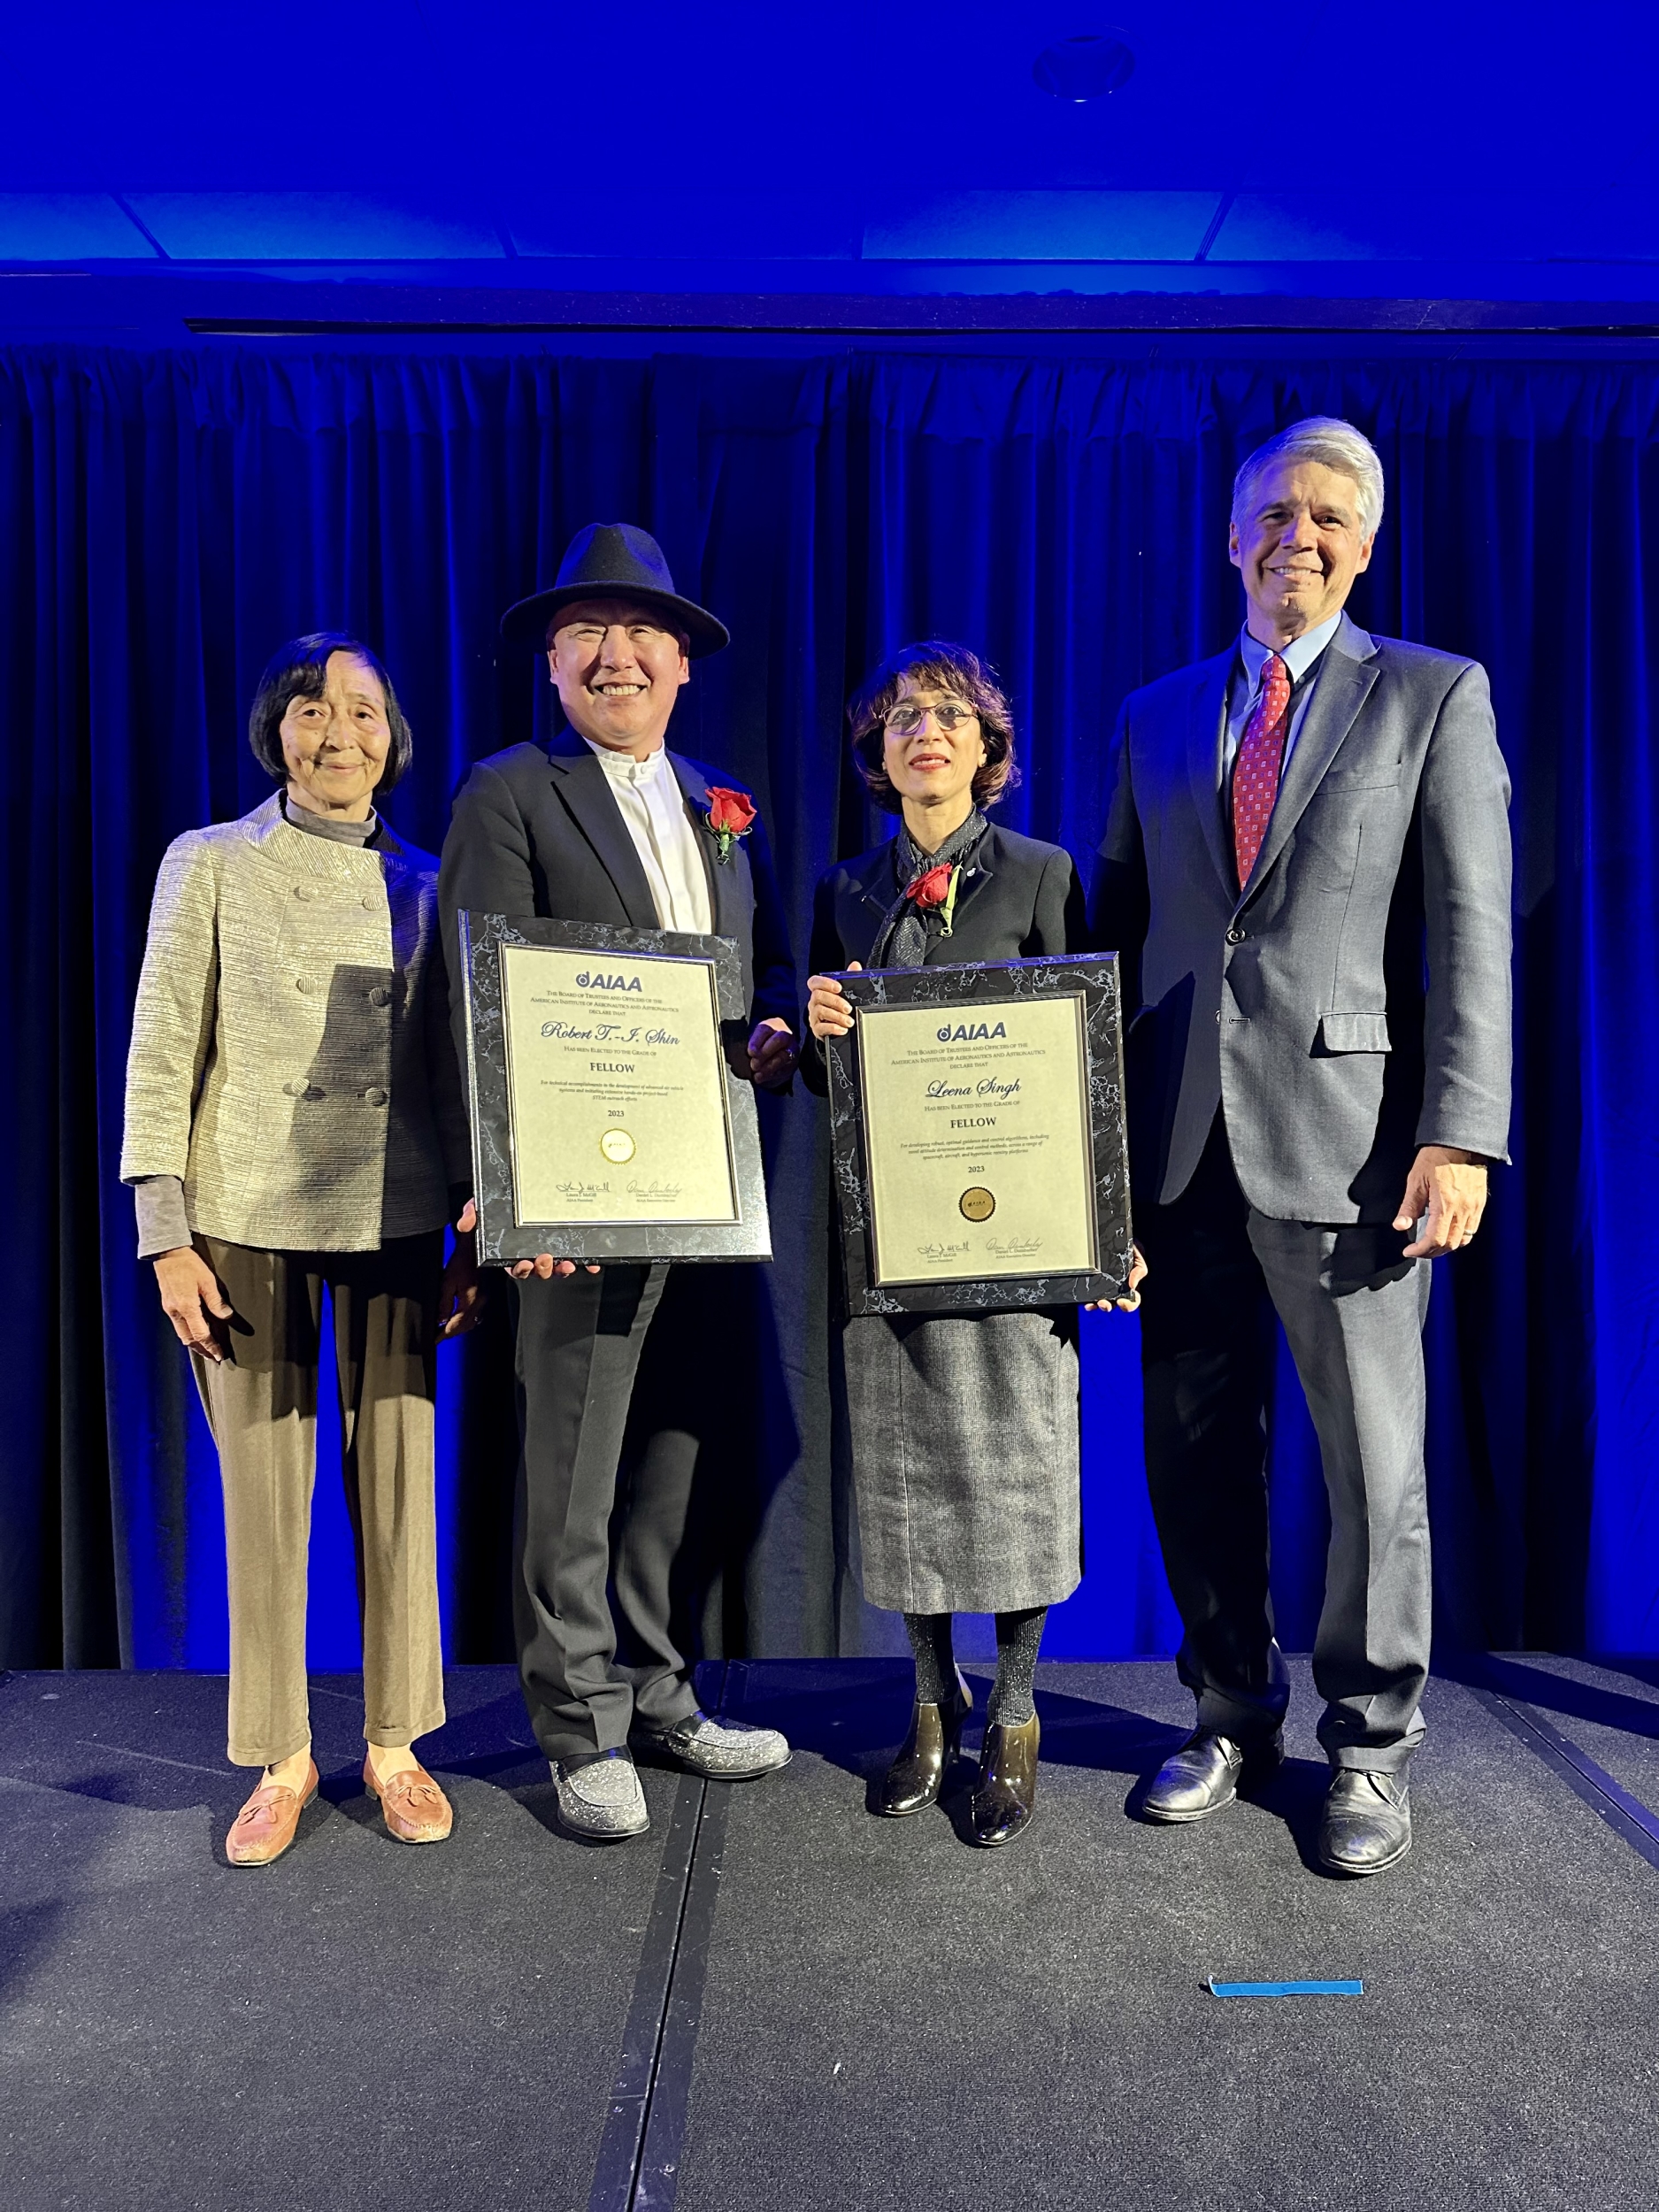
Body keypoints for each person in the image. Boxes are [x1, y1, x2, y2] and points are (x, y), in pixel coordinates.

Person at [1093, 417, 1512, 1877]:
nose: (1300, 537)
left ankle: (1372, 1745)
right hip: (1179, 1148)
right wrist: (1095, 1163)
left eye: (1330, 517)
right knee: (1193, 1451)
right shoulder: (1152, 715)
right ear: (1231, 535)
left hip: (1358, 1151)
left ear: (1365, 544)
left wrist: (1461, 1135)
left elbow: (1469, 930)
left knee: (1372, 1464)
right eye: (1275, 512)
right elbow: (1116, 941)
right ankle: (1225, 1709)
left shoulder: (1432, 699)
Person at [440, 523, 799, 1842]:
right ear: (553, 661)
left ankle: (658, 1689)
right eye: (589, 632)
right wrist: (509, 1188)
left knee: (676, 1450)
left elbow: (745, 973)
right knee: (574, 1462)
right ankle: (576, 1724)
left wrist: (769, 1030)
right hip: (576, 1195)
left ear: (683, 666)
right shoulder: (510, 791)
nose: (618, 653)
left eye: (644, 633)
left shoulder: (719, 804)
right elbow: (483, 996)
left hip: (707, 1185)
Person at [121, 634, 481, 1867]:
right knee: (263, 1498)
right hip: (242, 1214)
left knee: (399, 1486)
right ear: (277, 727)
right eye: (315, 711)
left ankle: (394, 1744)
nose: (341, 735)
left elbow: (453, 1073)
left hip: (396, 1210)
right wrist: (164, 1233)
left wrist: (478, 1220)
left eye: (367, 713)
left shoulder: (428, 881)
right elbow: (163, 1048)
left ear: (395, 737)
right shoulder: (211, 861)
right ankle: (279, 1754)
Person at [805, 641, 1144, 1849]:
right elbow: (815, 1090)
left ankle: (1015, 1719)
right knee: (907, 1487)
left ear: (989, 749)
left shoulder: (1042, 873)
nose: (925, 733)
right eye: (902, 717)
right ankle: (927, 1710)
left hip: (1019, 1239)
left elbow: (1090, 1065)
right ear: (878, 750)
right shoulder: (846, 890)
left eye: (950, 717)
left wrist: (1112, 1229)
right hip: (889, 1243)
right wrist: (813, 1025)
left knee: (1015, 1479)